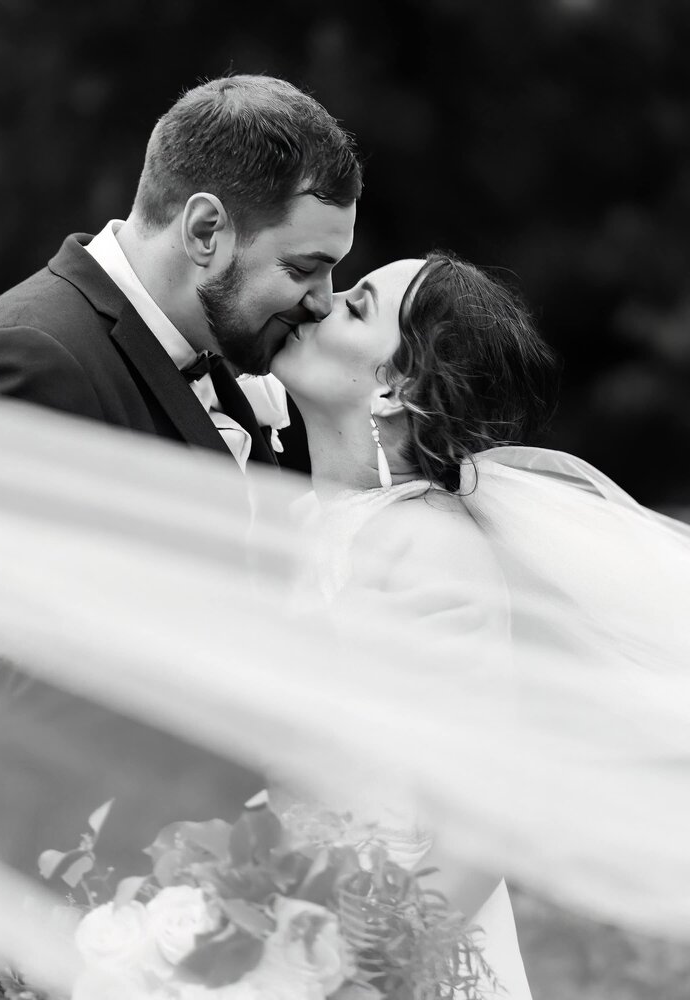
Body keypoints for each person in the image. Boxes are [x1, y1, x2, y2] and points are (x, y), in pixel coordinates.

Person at [0, 75, 361, 999]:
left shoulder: (226, 372)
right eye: (305, 268)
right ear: (204, 231)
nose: (322, 300)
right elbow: (1, 675)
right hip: (17, 929)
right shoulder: (34, 359)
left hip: (165, 914)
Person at [270, 250, 690, 998]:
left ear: (396, 385)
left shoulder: (426, 545)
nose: (318, 303)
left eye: (357, 306)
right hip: (295, 924)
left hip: (398, 956)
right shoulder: (306, 523)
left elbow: (479, 825)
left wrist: (363, 977)